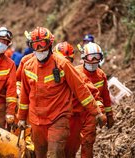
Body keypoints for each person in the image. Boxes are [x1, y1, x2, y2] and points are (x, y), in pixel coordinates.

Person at [17, 27, 106, 157]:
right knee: (40, 153)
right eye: (35, 45)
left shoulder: (62, 64)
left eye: (43, 43)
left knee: (55, 153)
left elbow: (80, 89)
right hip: (36, 119)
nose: (40, 48)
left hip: (58, 117)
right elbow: (25, 94)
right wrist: (21, 118)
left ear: (50, 44)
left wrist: (96, 112)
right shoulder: (28, 66)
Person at [54, 42, 105, 158]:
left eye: (66, 61)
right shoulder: (44, 72)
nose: (63, 64)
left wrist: (99, 112)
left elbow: (94, 94)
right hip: (50, 118)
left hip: (73, 118)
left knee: (69, 151)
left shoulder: (78, 75)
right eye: (60, 60)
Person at [73, 42, 114, 157]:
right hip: (74, 113)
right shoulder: (75, 72)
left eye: (97, 57)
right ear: (84, 58)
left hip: (92, 114)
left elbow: (105, 96)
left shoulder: (101, 75)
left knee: (88, 142)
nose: (94, 60)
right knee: (70, 144)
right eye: (91, 57)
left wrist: (109, 115)